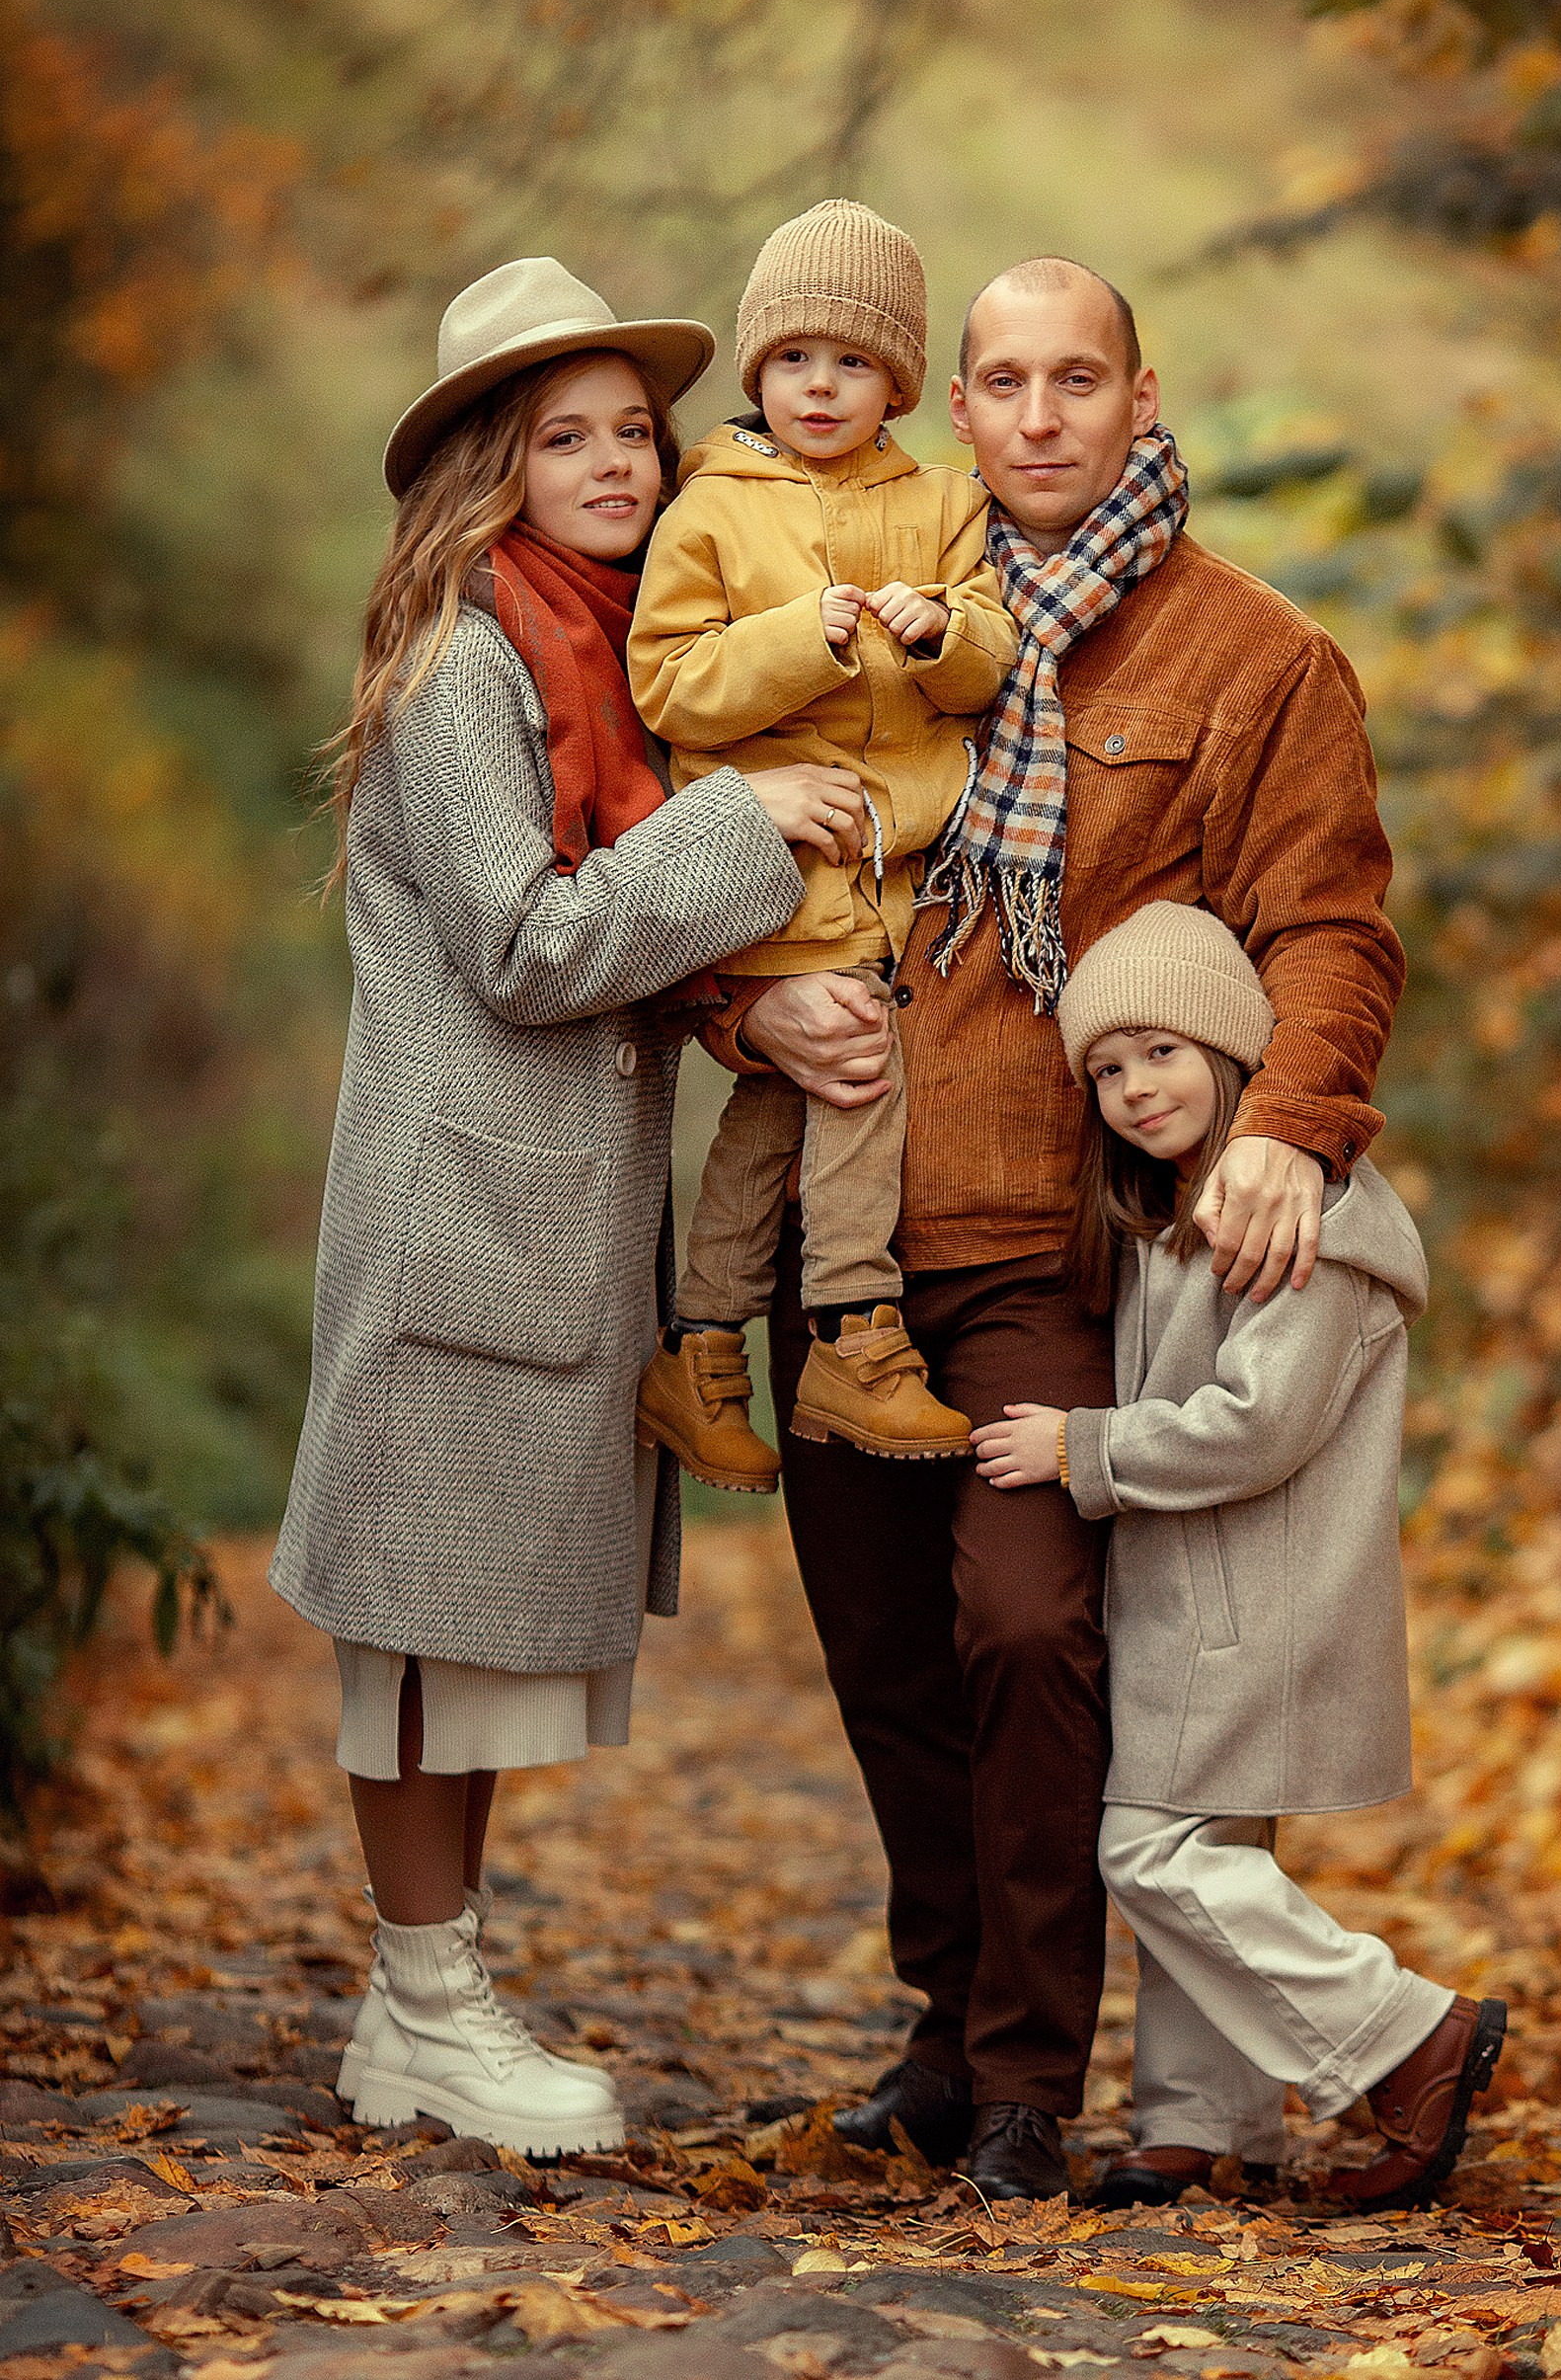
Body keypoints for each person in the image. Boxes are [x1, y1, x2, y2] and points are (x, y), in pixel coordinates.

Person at [701, 255, 1408, 2197]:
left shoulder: (1249, 657)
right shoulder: (856, 611)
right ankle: (950, 2029)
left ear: (1135, 393)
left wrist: (1290, 1127)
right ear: (960, 402)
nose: (1032, 416)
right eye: (998, 381)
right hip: (836, 1238)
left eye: (1071, 379)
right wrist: (731, 1008)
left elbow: (1330, 928)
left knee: (1021, 1625)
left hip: (1052, 1246)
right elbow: (705, 858)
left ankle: (1031, 2073)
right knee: (883, 1660)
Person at [271, 257, 860, 2155]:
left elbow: (622, 948)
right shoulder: (466, 661)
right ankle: (428, 2006)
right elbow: (531, 950)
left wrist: (753, 983)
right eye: (567, 437)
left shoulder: (606, 650)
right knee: (425, 1634)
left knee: (481, 1630)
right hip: (461, 1219)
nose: (617, 464)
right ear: (486, 469)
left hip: (545, 1228)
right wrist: (743, 822)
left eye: (635, 432)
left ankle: (420, 2006)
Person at [974, 901, 1509, 2212]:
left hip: (1253, 1600)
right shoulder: (1171, 1210)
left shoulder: (1292, 1211)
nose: (1131, 1087)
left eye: (1159, 1052)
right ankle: (1199, 2126)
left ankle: (1404, 2035)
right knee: (1208, 1847)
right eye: (1105, 1068)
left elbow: (1260, 1423)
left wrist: (1084, 1452)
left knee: (1150, 1852)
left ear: (1230, 1050)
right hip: (1200, 1597)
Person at [628, 200, 1018, 1484]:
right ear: (758, 371)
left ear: (899, 380)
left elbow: (987, 666)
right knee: (859, 1070)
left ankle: (696, 1344)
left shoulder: (946, 505)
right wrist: (806, 635)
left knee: (775, 1112)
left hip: (900, 876)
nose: (819, 385)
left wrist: (936, 633)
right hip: (773, 876)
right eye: (794, 359)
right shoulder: (707, 511)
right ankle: (854, 1328)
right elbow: (671, 689)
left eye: (852, 363)